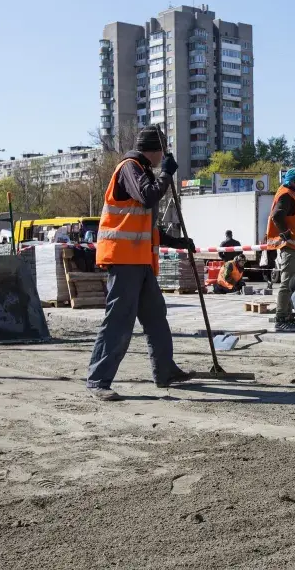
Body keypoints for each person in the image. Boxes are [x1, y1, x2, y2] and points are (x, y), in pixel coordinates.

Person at [86, 124, 196, 401]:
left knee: (156, 316)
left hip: (140, 260)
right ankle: (98, 379)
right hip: (124, 260)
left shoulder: (142, 171)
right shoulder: (130, 168)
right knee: (119, 321)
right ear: (155, 150)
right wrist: (167, 173)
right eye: (162, 152)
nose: (163, 157)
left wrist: (177, 242)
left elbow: (145, 226)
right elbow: (148, 198)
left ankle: (165, 371)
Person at [268, 168, 295, 332]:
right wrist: (285, 234)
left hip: (294, 246)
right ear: (292, 182)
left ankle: (288, 317)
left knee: (291, 283)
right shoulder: (286, 195)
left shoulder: (291, 195)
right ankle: (281, 319)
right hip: (290, 246)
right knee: (288, 283)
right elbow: (276, 215)